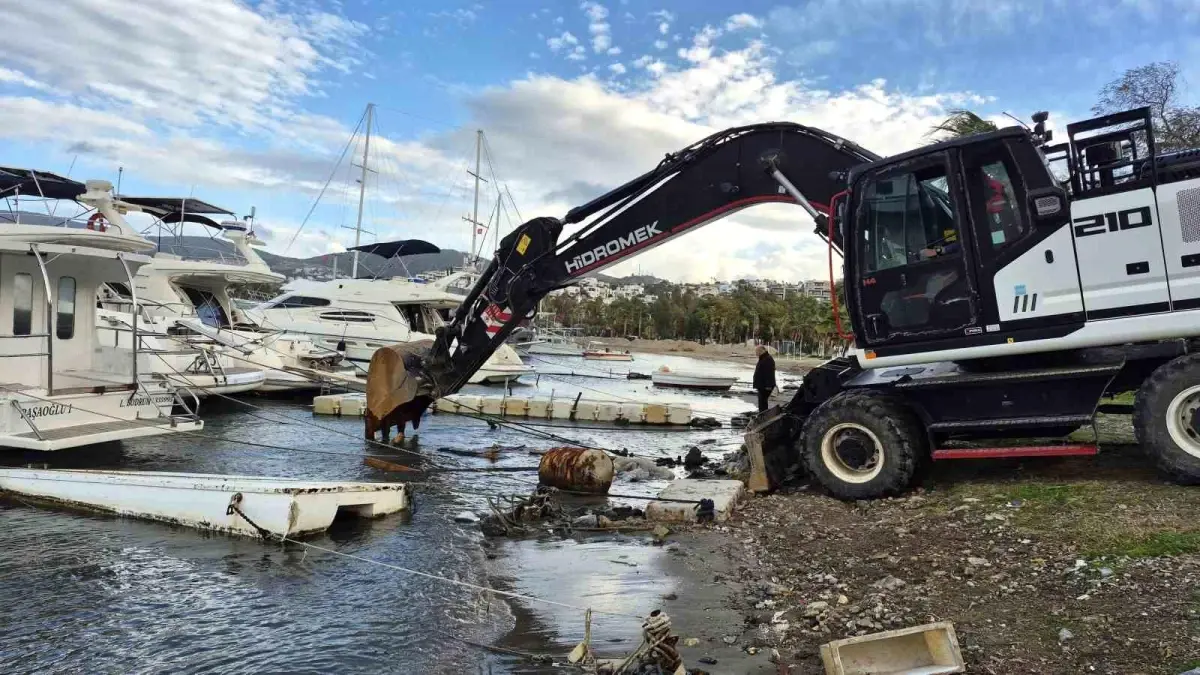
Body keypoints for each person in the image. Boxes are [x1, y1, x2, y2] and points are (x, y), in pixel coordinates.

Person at [753, 345, 776, 412]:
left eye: (757, 351)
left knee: (762, 402)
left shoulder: (767, 359)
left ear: (761, 350)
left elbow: (769, 373)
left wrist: (768, 385)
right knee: (762, 402)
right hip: (762, 385)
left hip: (765, 386)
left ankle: (763, 415)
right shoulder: (763, 358)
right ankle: (763, 414)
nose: (756, 353)